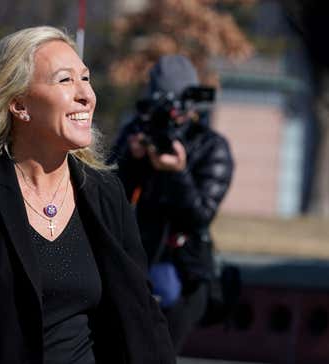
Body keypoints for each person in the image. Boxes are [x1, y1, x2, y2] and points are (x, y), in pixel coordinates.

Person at [0, 26, 175, 364]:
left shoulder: (104, 192)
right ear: (18, 104)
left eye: (85, 78)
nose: (86, 94)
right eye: (65, 80)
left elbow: (142, 312)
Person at [110, 54, 236, 351]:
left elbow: (200, 215)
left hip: (185, 271)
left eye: (179, 106)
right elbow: (107, 198)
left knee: (159, 352)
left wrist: (178, 173)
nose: (172, 117)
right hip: (137, 261)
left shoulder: (212, 147)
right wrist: (130, 160)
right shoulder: (137, 134)